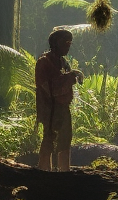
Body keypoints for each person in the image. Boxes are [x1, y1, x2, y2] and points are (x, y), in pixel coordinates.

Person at [35, 28, 84, 172]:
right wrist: (69, 77)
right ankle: (45, 171)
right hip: (49, 108)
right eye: (65, 42)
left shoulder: (63, 62)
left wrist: (72, 76)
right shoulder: (44, 62)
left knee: (65, 141)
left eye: (70, 43)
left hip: (63, 107)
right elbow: (49, 89)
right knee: (49, 140)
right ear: (55, 43)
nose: (68, 46)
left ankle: (64, 172)